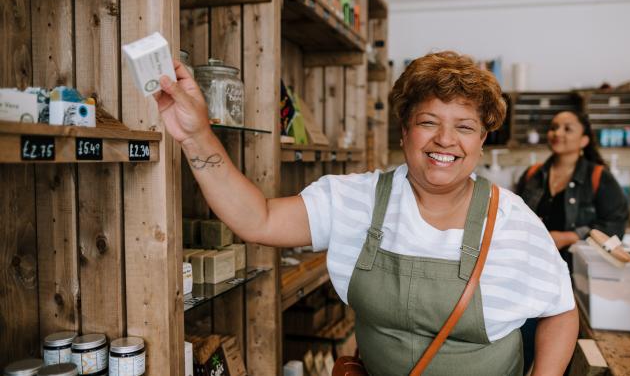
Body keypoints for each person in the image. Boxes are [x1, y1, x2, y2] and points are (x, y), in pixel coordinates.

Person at [156, 51, 578, 375]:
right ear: (404, 130)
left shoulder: (510, 219)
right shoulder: (355, 201)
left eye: (464, 127)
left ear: (482, 139)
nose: (446, 140)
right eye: (429, 122)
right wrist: (196, 136)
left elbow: (559, 309)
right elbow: (257, 219)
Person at [515, 111, 629, 374]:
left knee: (560, 350)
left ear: (585, 140)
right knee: (524, 343)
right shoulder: (534, 174)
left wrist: (568, 236)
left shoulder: (599, 177)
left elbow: (616, 224)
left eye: (568, 129)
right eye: (554, 127)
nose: (558, 133)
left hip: (576, 278)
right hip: (532, 274)